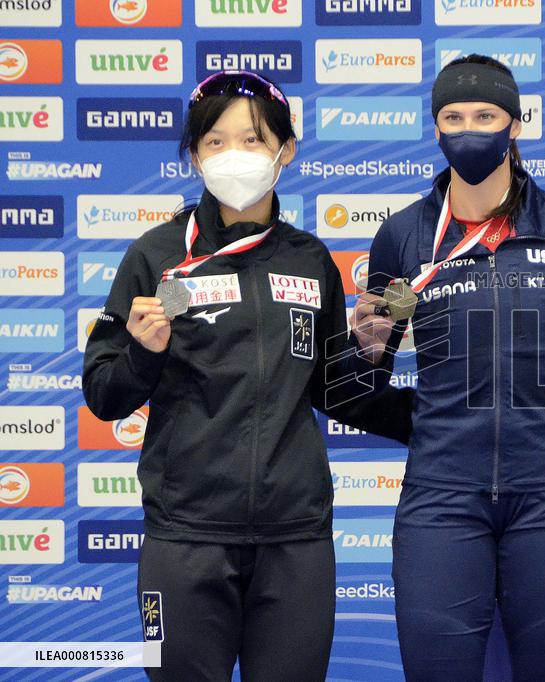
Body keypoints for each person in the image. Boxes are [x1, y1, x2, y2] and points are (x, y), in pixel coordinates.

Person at [82, 70, 412, 681]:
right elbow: (104, 395)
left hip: (296, 540)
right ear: (193, 155)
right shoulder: (157, 257)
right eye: (216, 142)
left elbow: (334, 392)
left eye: (254, 140)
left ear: (286, 151)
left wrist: (379, 361)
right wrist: (143, 353)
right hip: (185, 538)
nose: (235, 155)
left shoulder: (309, 259)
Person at [351, 55, 545, 681]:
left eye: (486, 115)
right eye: (453, 116)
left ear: (516, 124)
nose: (469, 129)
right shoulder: (404, 236)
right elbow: (357, 385)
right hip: (441, 500)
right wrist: (367, 357)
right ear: (435, 128)